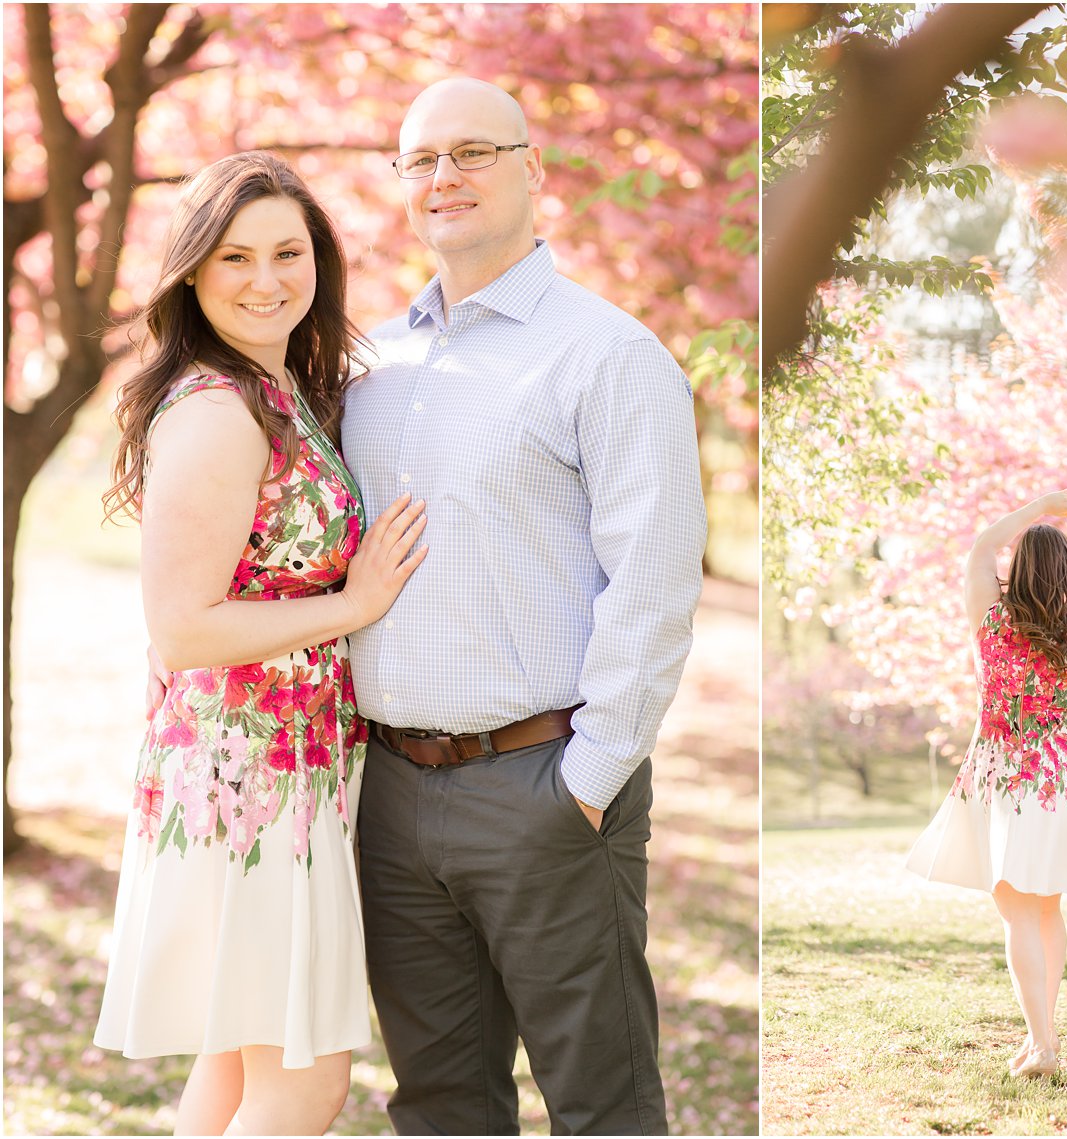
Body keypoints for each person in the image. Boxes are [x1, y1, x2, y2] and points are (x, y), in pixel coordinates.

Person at [340, 77, 705, 1134]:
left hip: (543, 783)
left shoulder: (609, 354)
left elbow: (654, 581)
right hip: (391, 793)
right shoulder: (374, 364)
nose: (443, 176)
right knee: (442, 1103)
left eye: (473, 151)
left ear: (533, 170)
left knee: (602, 1104)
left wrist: (588, 778)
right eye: (419, 159)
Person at [95, 151, 426, 1135]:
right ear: (192, 272)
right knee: (302, 1084)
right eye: (235, 256)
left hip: (282, 769)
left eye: (288, 251)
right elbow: (183, 625)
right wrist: (353, 602)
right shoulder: (217, 411)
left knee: (234, 1074)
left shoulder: (275, 391)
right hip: (249, 782)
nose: (266, 279)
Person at [907, 489, 1067, 1078]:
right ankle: (1042, 1037)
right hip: (1061, 778)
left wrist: (1041, 506)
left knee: (1018, 915)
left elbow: (984, 542)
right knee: (1045, 912)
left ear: (1016, 570)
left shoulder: (991, 615)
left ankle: (1042, 1045)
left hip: (1004, 777)